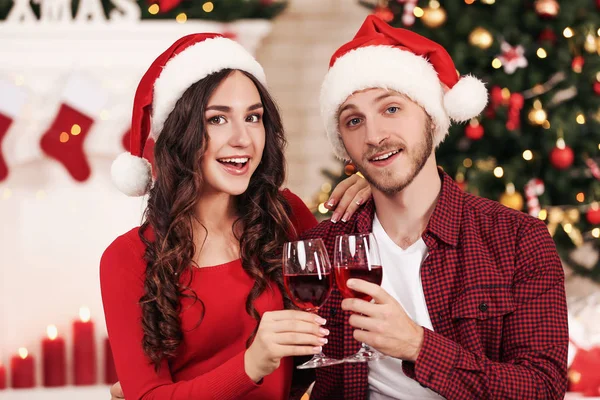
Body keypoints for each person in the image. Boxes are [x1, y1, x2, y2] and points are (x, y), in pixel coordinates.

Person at [299, 15, 569, 400]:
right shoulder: (321, 248)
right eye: (354, 120)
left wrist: (418, 347)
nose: (374, 136)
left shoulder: (516, 240)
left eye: (391, 109)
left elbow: (543, 389)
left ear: (431, 116)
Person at [101, 33, 369, 400]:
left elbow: (349, 296)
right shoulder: (126, 258)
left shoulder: (285, 217)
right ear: (180, 133)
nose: (243, 138)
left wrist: (378, 188)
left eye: (253, 117)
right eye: (217, 120)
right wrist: (251, 364)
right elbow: (147, 396)